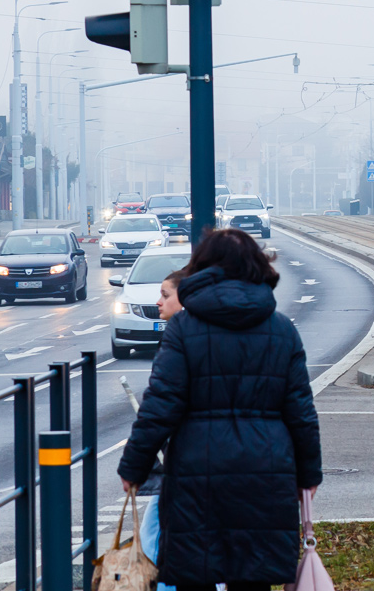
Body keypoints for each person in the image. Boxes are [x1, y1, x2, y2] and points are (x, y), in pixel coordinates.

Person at [118, 229, 322, 591]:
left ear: (202, 269)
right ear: (258, 269)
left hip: (197, 474)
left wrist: (134, 467)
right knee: (253, 576)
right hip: (266, 472)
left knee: (195, 572)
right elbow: (301, 414)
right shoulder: (281, 330)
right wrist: (308, 476)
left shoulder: (184, 328)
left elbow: (160, 404)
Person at [138, 268, 189, 591]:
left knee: (159, 535)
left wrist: (134, 464)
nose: (158, 302)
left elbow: (159, 409)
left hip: (186, 466)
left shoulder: (182, 338)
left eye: (166, 295)